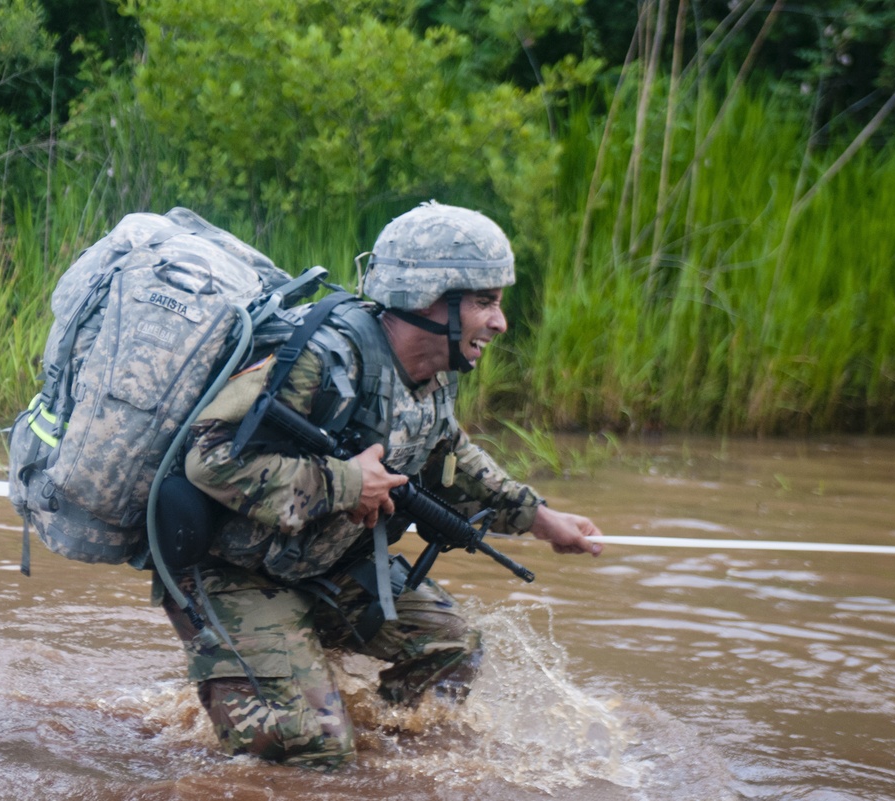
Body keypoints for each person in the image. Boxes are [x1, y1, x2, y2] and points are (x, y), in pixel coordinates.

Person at [161, 201, 604, 769]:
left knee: (448, 650)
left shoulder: (431, 377)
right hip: (232, 572)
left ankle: (387, 764)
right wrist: (345, 483)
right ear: (432, 298)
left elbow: (451, 453)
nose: (500, 322)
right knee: (309, 750)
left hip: (324, 562)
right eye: (485, 302)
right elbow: (209, 456)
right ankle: (281, 715)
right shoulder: (319, 359)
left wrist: (544, 520)